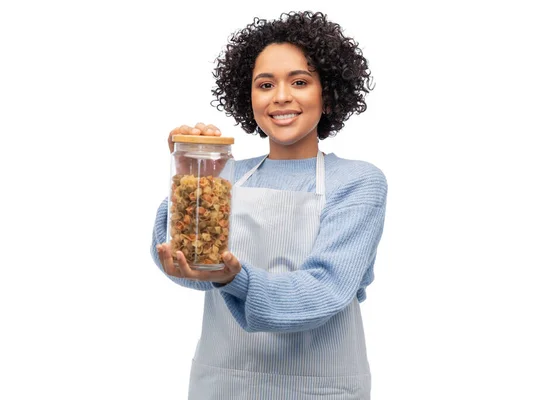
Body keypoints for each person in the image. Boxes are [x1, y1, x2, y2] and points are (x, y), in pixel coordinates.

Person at [151, 11, 387, 399]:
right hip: (223, 384)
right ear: (250, 98)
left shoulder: (358, 181)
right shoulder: (229, 175)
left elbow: (324, 291)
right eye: (265, 84)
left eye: (299, 81)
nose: (281, 96)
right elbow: (184, 264)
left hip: (319, 388)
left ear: (327, 95)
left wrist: (232, 279)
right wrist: (192, 170)